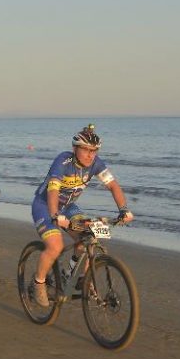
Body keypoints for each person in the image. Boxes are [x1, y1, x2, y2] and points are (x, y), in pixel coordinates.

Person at [30, 124, 134, 306]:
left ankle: (74, 274)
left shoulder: (96, 164)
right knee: (55, 246)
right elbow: (53, 189)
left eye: (94, 151)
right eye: (85, 150)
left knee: (89, 238)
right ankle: (38, 283)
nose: (90, 155)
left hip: (69, 206)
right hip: (45, 205)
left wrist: (123, 209)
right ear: (74, 148)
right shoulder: (63, 161)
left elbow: (113, 186)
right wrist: (55, 214)